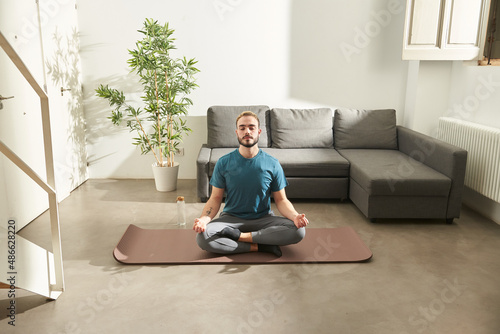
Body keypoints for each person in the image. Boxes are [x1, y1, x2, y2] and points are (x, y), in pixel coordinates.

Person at [193, 111, 309, 257]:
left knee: (298, 231)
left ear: (259, 132)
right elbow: (215, 198)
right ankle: (261, 246)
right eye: (242, 128)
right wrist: (204, 219)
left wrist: (295, 216)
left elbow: (281, 200)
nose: (247, 131)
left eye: (251, 127)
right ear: (237, 132)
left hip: (263, 219)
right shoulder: (223, 163)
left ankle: (241, 238)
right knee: (203, 237)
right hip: (231, 220)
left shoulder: (272, 163)